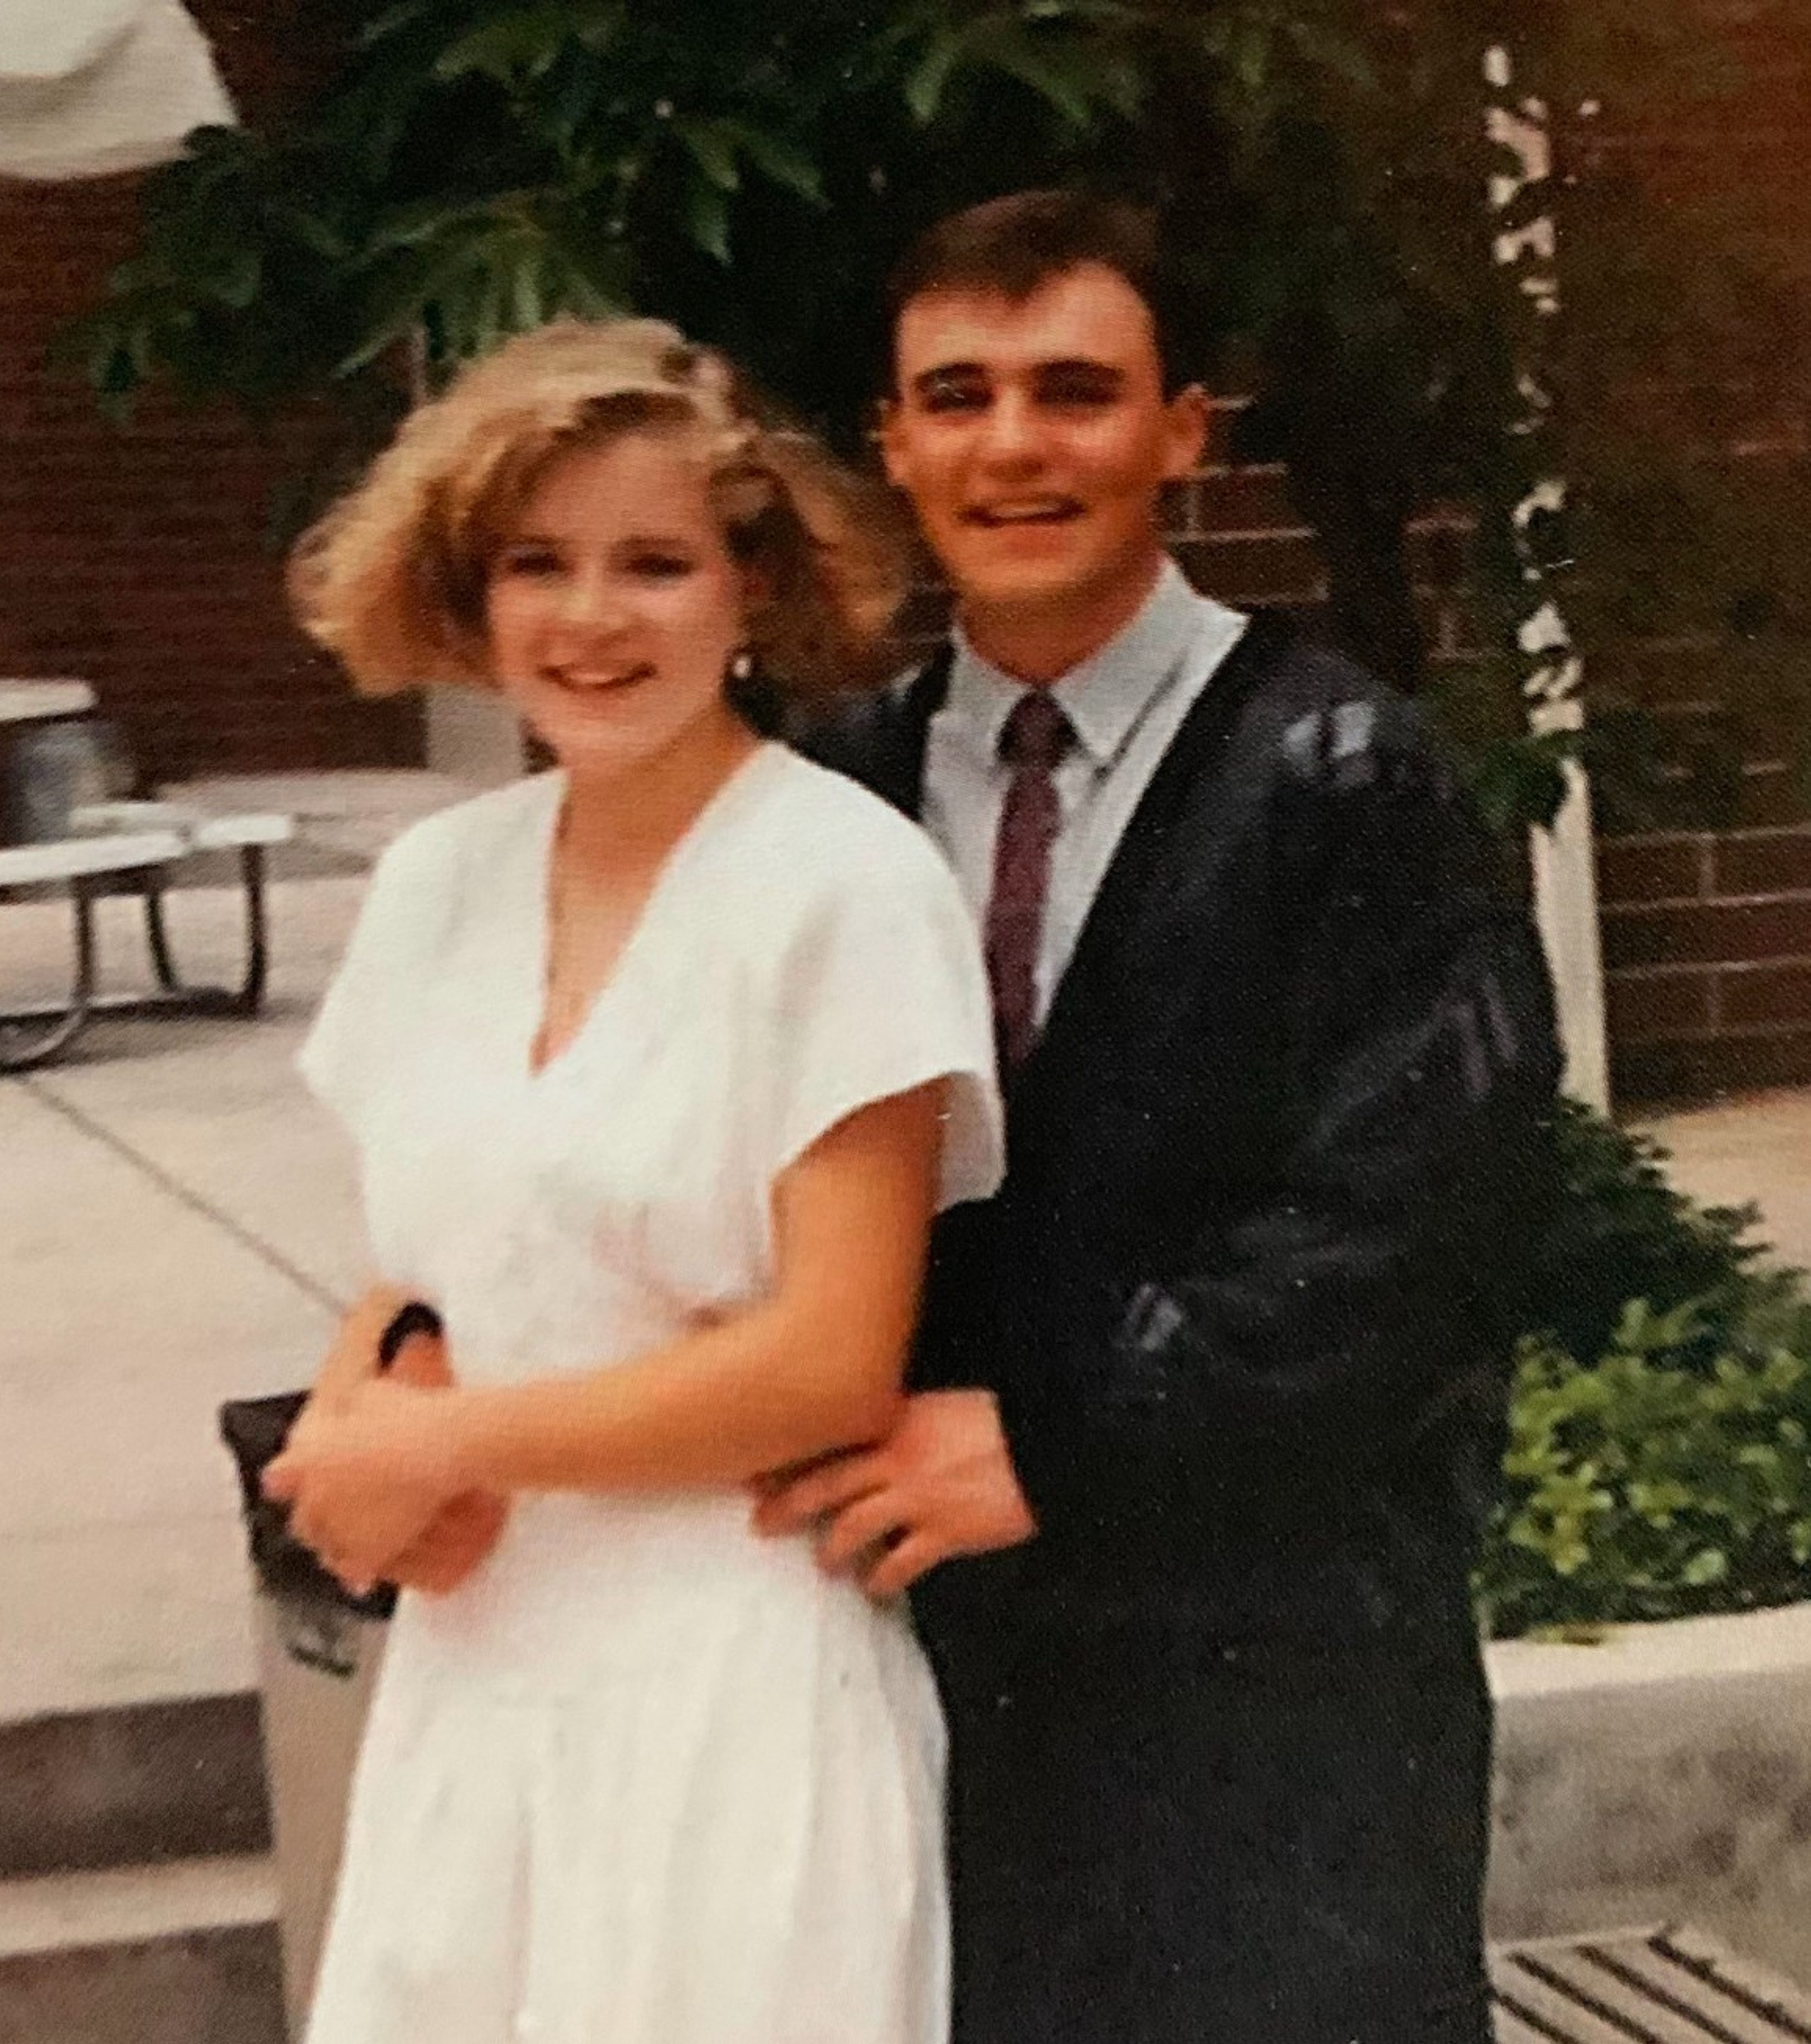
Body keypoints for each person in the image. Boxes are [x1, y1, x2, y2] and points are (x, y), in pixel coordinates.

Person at [755, 190, 1564, 2042]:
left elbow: (1419, 1227)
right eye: (956, 396)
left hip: (1272, 1692)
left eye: (1076, 390)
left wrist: (1062, 1438)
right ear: (893, 444)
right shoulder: (824, 798)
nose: (1015, 444)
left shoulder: (1344, 775)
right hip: (925, 1678)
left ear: (1183, 430)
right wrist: (423, 1343)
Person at [261, 316, 1003, 2044]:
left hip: (730, 1695)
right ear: (470, 590)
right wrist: (356, 1413)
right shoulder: (439, 880)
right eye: (540, 564)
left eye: (654, 564)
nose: (592, 620)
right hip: (476, 1678)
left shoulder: (842, 885)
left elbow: (830, 1361)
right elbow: (441, 1256)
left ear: (751, 592)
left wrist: (447, 1441)